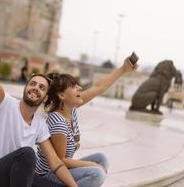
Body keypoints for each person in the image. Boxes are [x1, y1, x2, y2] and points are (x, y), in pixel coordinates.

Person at [0, 22, 78, 187]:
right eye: (33, 84)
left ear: (45, 96)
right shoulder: (5, 104)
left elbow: (55, 162)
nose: (35, 88)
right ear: (26, 87)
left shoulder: (40, 123)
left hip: (12, 180)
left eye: (41, 88)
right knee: (27, 154)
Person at [35, 58, 137, 187]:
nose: (80, 88)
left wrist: (123, 69)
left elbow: (99, 87)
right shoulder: (58, 122)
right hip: (49, 174)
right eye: (74, 87)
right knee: (96, 173)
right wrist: (92, 165)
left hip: (61, 167)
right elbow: (60, 161)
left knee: (101, 158)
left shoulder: (70, 109)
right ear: (62, 95)